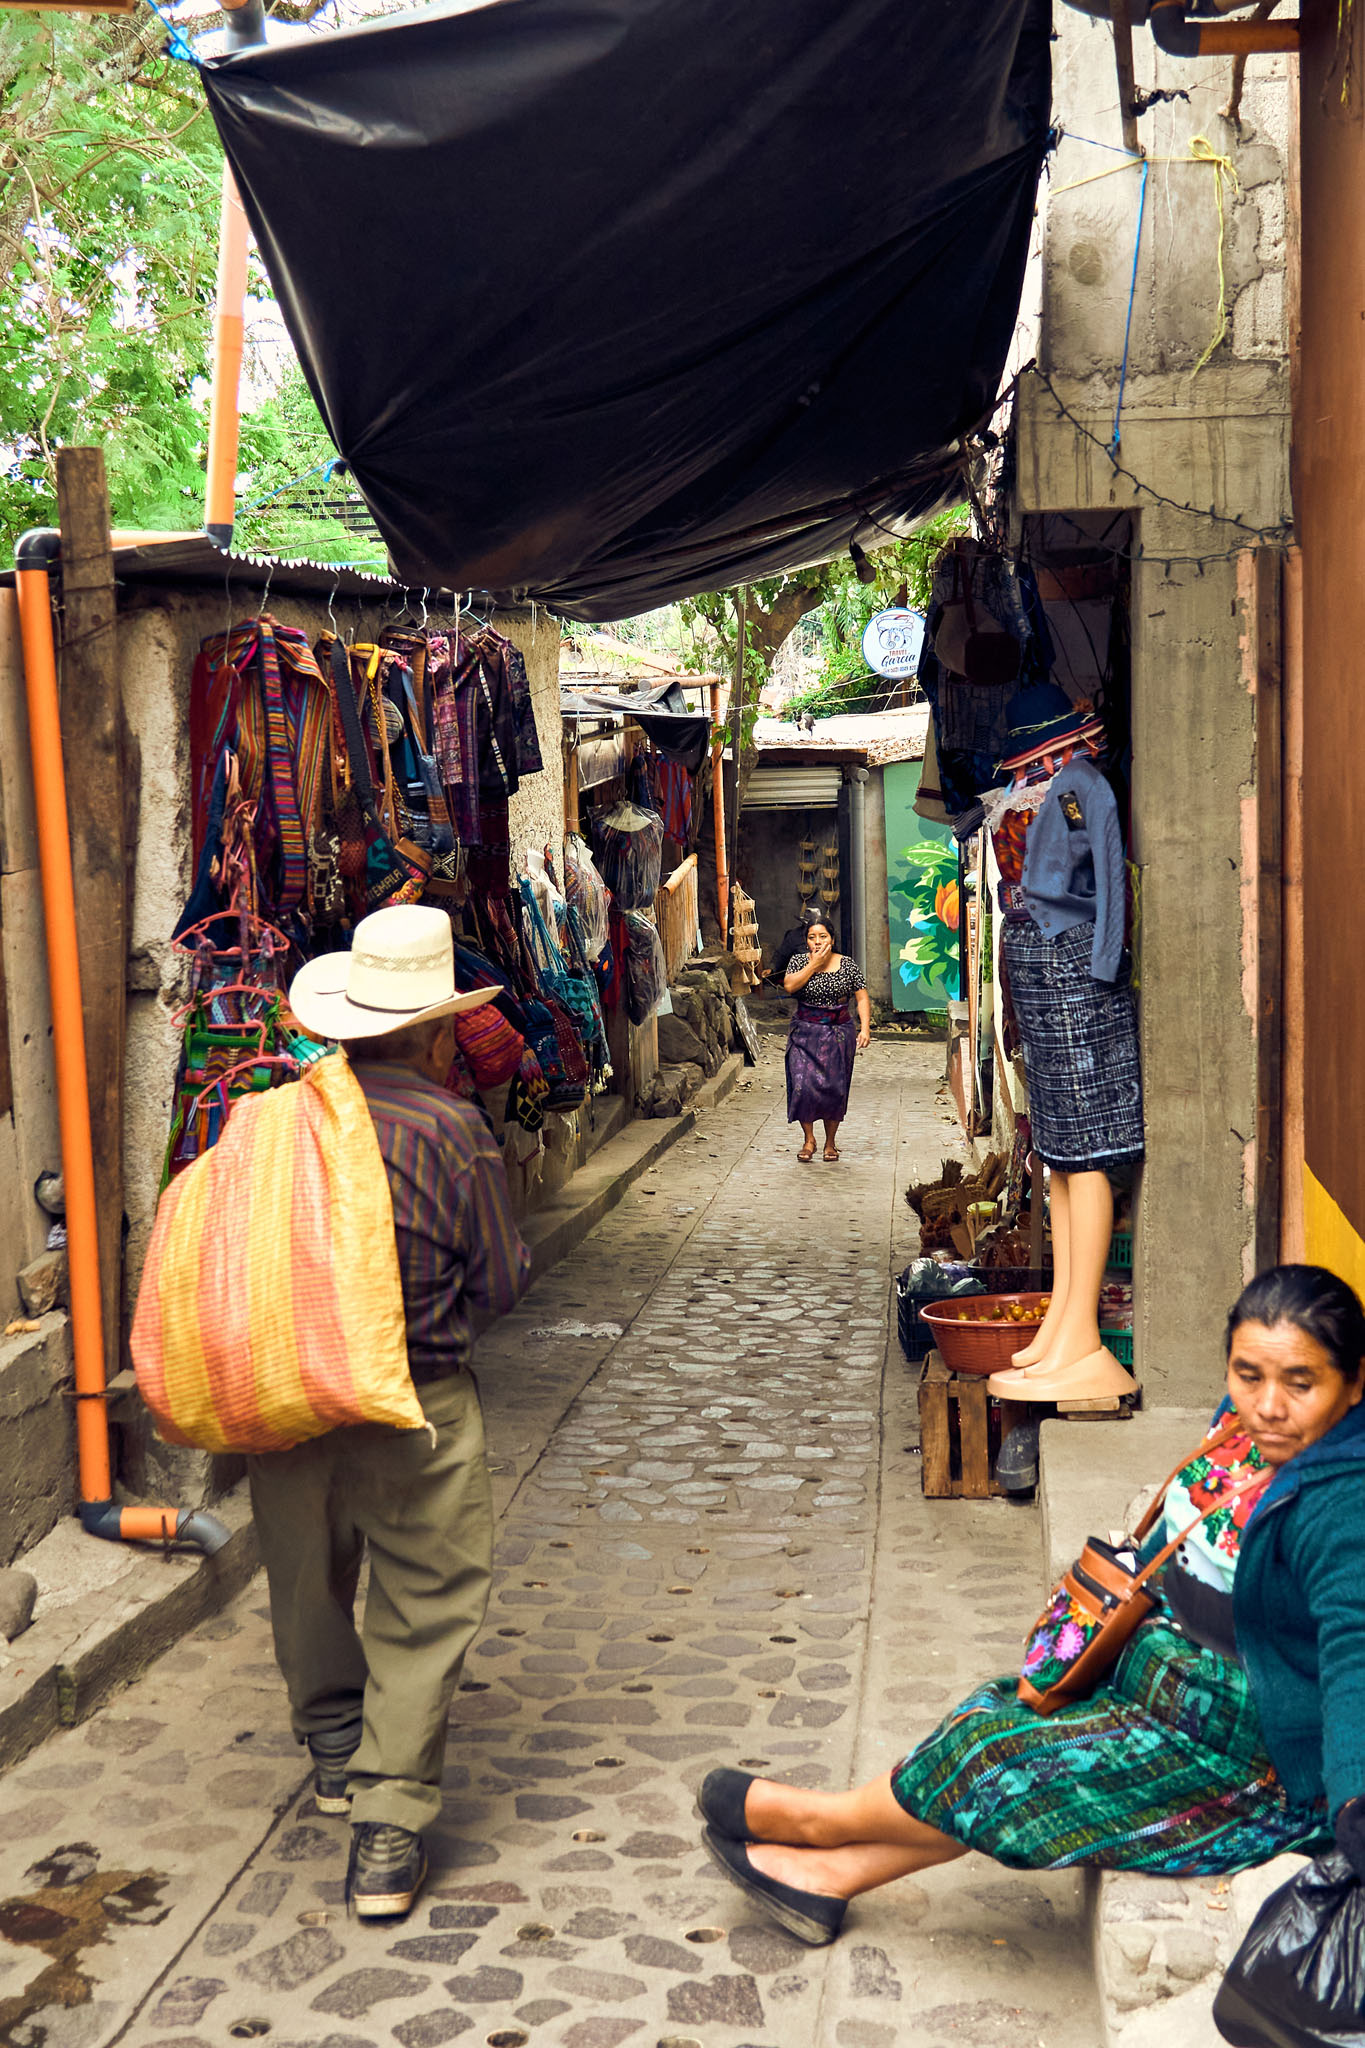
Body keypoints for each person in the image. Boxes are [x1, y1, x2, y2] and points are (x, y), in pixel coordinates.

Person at [697, 1265, 1365, 1946]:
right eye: (1247, 1375)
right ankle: (825, 1881)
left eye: (1300, 1383)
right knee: (992, 1715)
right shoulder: (1237, 1432)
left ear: (1354, 1384)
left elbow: (1353, 1660)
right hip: (1159, 1692)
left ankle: (821, 1825)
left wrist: (1353, 1808)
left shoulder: (1342, 1509)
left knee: (1008, 1766)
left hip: (1251, 1765)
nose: (1267, 1405)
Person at [249, 904, 530, 1920]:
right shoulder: (453, 1131)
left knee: (305, 1576)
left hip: (290, 1392)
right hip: (417, 1398)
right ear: (440, 1028)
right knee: (427, 1596)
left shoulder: (280, 1116)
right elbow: (499, 1280)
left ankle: (333, 1746)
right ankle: (388, 1823)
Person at [783, 915, 871, 1162]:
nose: (818, 942)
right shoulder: (798, 962)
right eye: (812, 937)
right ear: (806, 941)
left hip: (838, 1034)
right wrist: (813, 964)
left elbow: (862, 997)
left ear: (832, 939)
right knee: (803, 1086)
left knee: (834, 1089)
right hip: (804, 1032)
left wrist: (865, 1028)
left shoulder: (847, 964)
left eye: (823, 936)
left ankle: (830, 1142)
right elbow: (789, 986)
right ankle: (809, 1139)